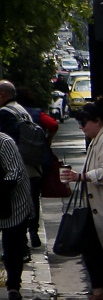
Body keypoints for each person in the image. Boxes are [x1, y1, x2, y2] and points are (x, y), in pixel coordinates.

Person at [60, 103, 103, 300]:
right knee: (92, 247)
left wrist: (80, 177)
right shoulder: (96, 139)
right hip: (94, 203)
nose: (81, 127)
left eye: (83, 123)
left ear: (98, 121)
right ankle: (100, 291)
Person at [0, 80, 49, 247]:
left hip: (19, 168)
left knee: (16, 211)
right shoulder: (20, 110)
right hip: (33, 166)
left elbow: (7, 144)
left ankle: (21, 244)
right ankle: (31, 233)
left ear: (2, 95)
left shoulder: (5, 113)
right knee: (31, 202)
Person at [0, 125, 31, 300]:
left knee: (13, 247)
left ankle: (13, 285)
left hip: (15, 201)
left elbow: (15, 173)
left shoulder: (4, 142)